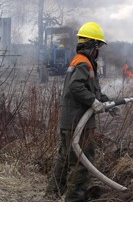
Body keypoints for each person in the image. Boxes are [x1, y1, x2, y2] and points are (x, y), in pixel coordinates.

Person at [46, 21, 119, 201]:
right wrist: (93, 102)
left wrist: (108, 104)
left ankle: (53, 193)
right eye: (99, 45)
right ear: (92, 45)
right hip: (78, 122)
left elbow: (93, 91)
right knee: (82, 162)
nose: (99, 50)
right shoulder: (84, 63)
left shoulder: (83, 61)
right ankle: (74, 200)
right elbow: (76, 87)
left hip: (70, 120)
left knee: (65, 159)